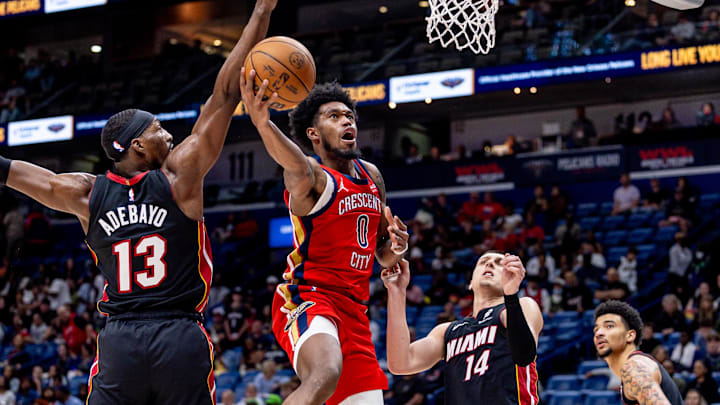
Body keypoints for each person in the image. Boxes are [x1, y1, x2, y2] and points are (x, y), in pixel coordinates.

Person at [0, 2, 276, 403]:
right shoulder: (179, 176)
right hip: (178, 335)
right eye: (159, 129)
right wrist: (261, 13)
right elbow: (225, 93)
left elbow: (21, 174)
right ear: (138, 145)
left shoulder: (86, 193)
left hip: (120, 343)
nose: (168, 136)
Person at [240, 77, 409, 405]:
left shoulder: (371, 176)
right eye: (334, 116)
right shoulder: (313, 177)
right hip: (309, 296)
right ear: (313, 134)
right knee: (325, 373)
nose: (347, 120)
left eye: (349, 116)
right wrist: (263, 124)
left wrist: (397, 248)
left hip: (356, 309)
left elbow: (382, 255)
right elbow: (295, 162)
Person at [382, 253, 543, 404]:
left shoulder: (522, 306)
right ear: (471, 283)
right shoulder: (446, 331)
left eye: (500, 263)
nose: (490, 263)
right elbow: (400, 363)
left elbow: (524, 355)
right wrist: (397, 292)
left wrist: (511, 295)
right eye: (483, 262)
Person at [593, 300, 683, 405]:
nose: (599, 333)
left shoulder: (636, 368)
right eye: (597, 329)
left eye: (609, 326)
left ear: (630, 335)